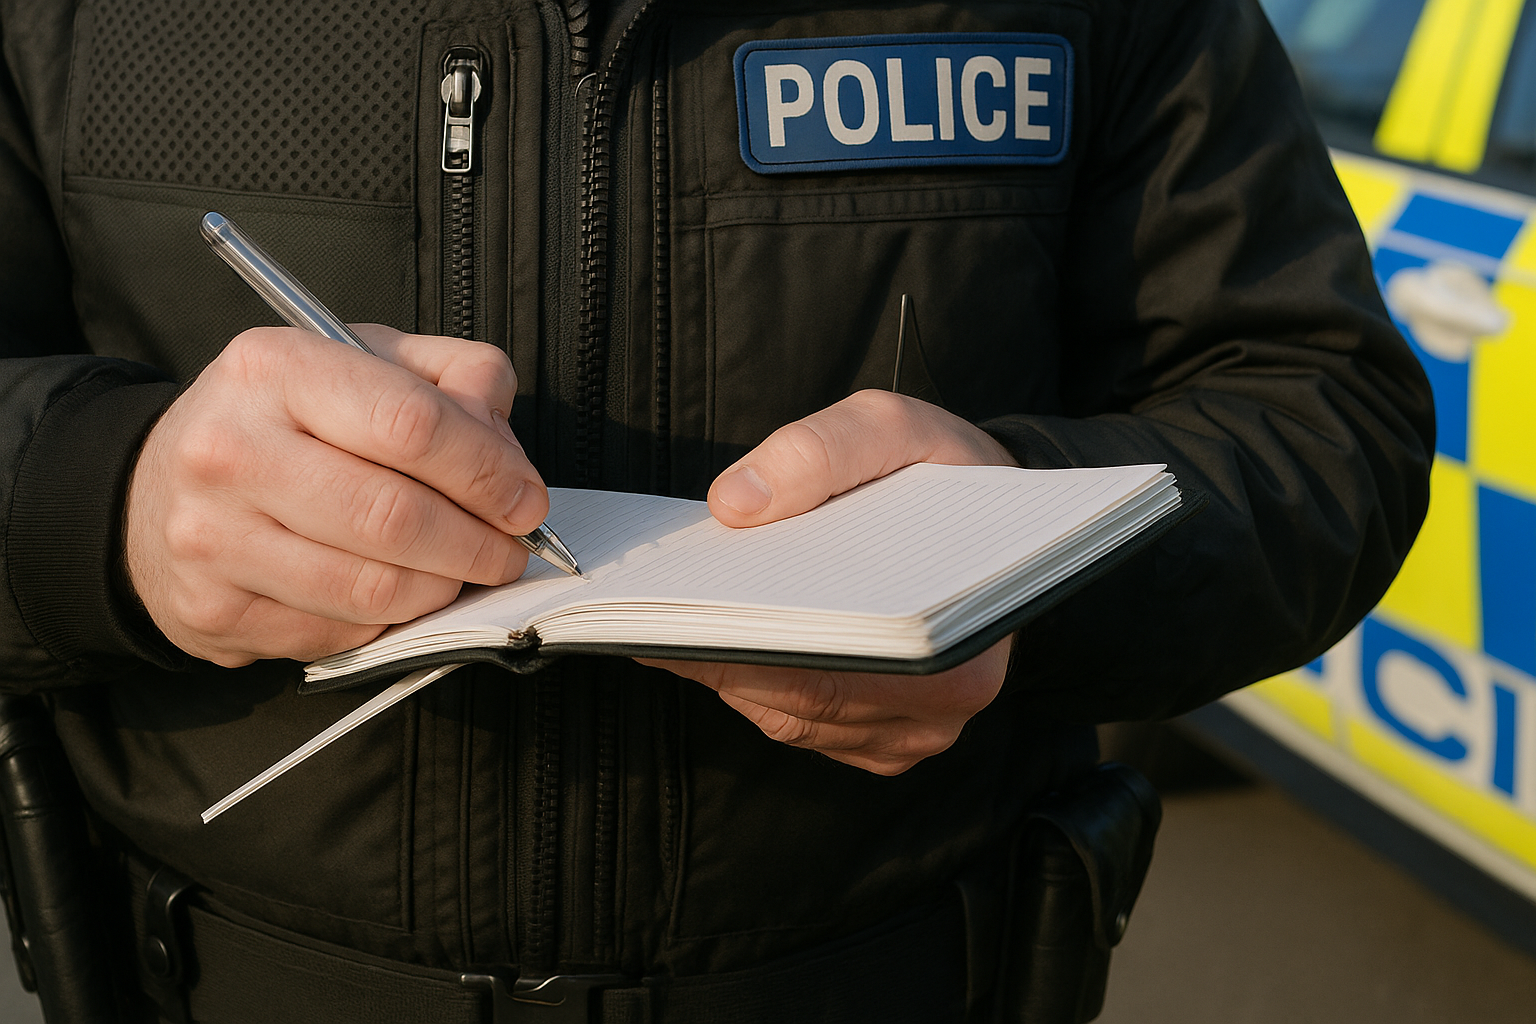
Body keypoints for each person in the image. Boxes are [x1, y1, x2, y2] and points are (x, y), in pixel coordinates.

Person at [0, 0, 1433, 1020]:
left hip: (897, 977)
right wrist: (106, 502)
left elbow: (1327, 419)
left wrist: (1015, 572)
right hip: (216, 979)